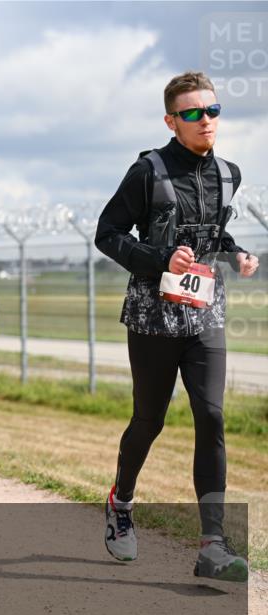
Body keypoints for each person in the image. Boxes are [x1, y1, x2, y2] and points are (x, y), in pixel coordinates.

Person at [95, 71, 259, 581]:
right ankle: (121, 503)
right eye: (192, 113)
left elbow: (214, 233)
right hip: (153, 315)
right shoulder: (148, 172)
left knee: (211, 415)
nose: (205, 120)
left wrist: (235, 254)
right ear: (171, 121)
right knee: (150, 420)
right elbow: (108, 233)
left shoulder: (229, 174)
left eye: (212, 110)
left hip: (205, 314)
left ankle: (213, 545)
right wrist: (160, 259)